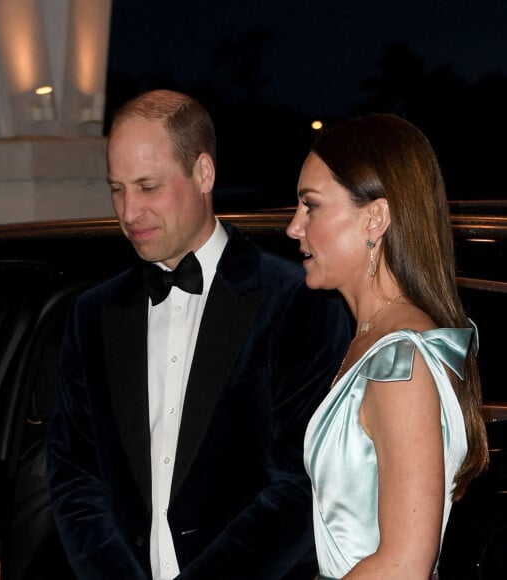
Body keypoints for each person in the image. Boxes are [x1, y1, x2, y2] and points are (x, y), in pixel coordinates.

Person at [46, 89, 351, 579]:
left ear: (203, 173)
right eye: (117, 189)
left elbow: (303, 483)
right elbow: (75, 479)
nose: (128, 212)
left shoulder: (297, 301)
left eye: (148, 187)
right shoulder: (91, 314)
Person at [286, 112, 489, 579]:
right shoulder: (376, 343)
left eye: (310, 206)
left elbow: (403, 565)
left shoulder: (403, 362)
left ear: (374, 218)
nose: (294, 228)